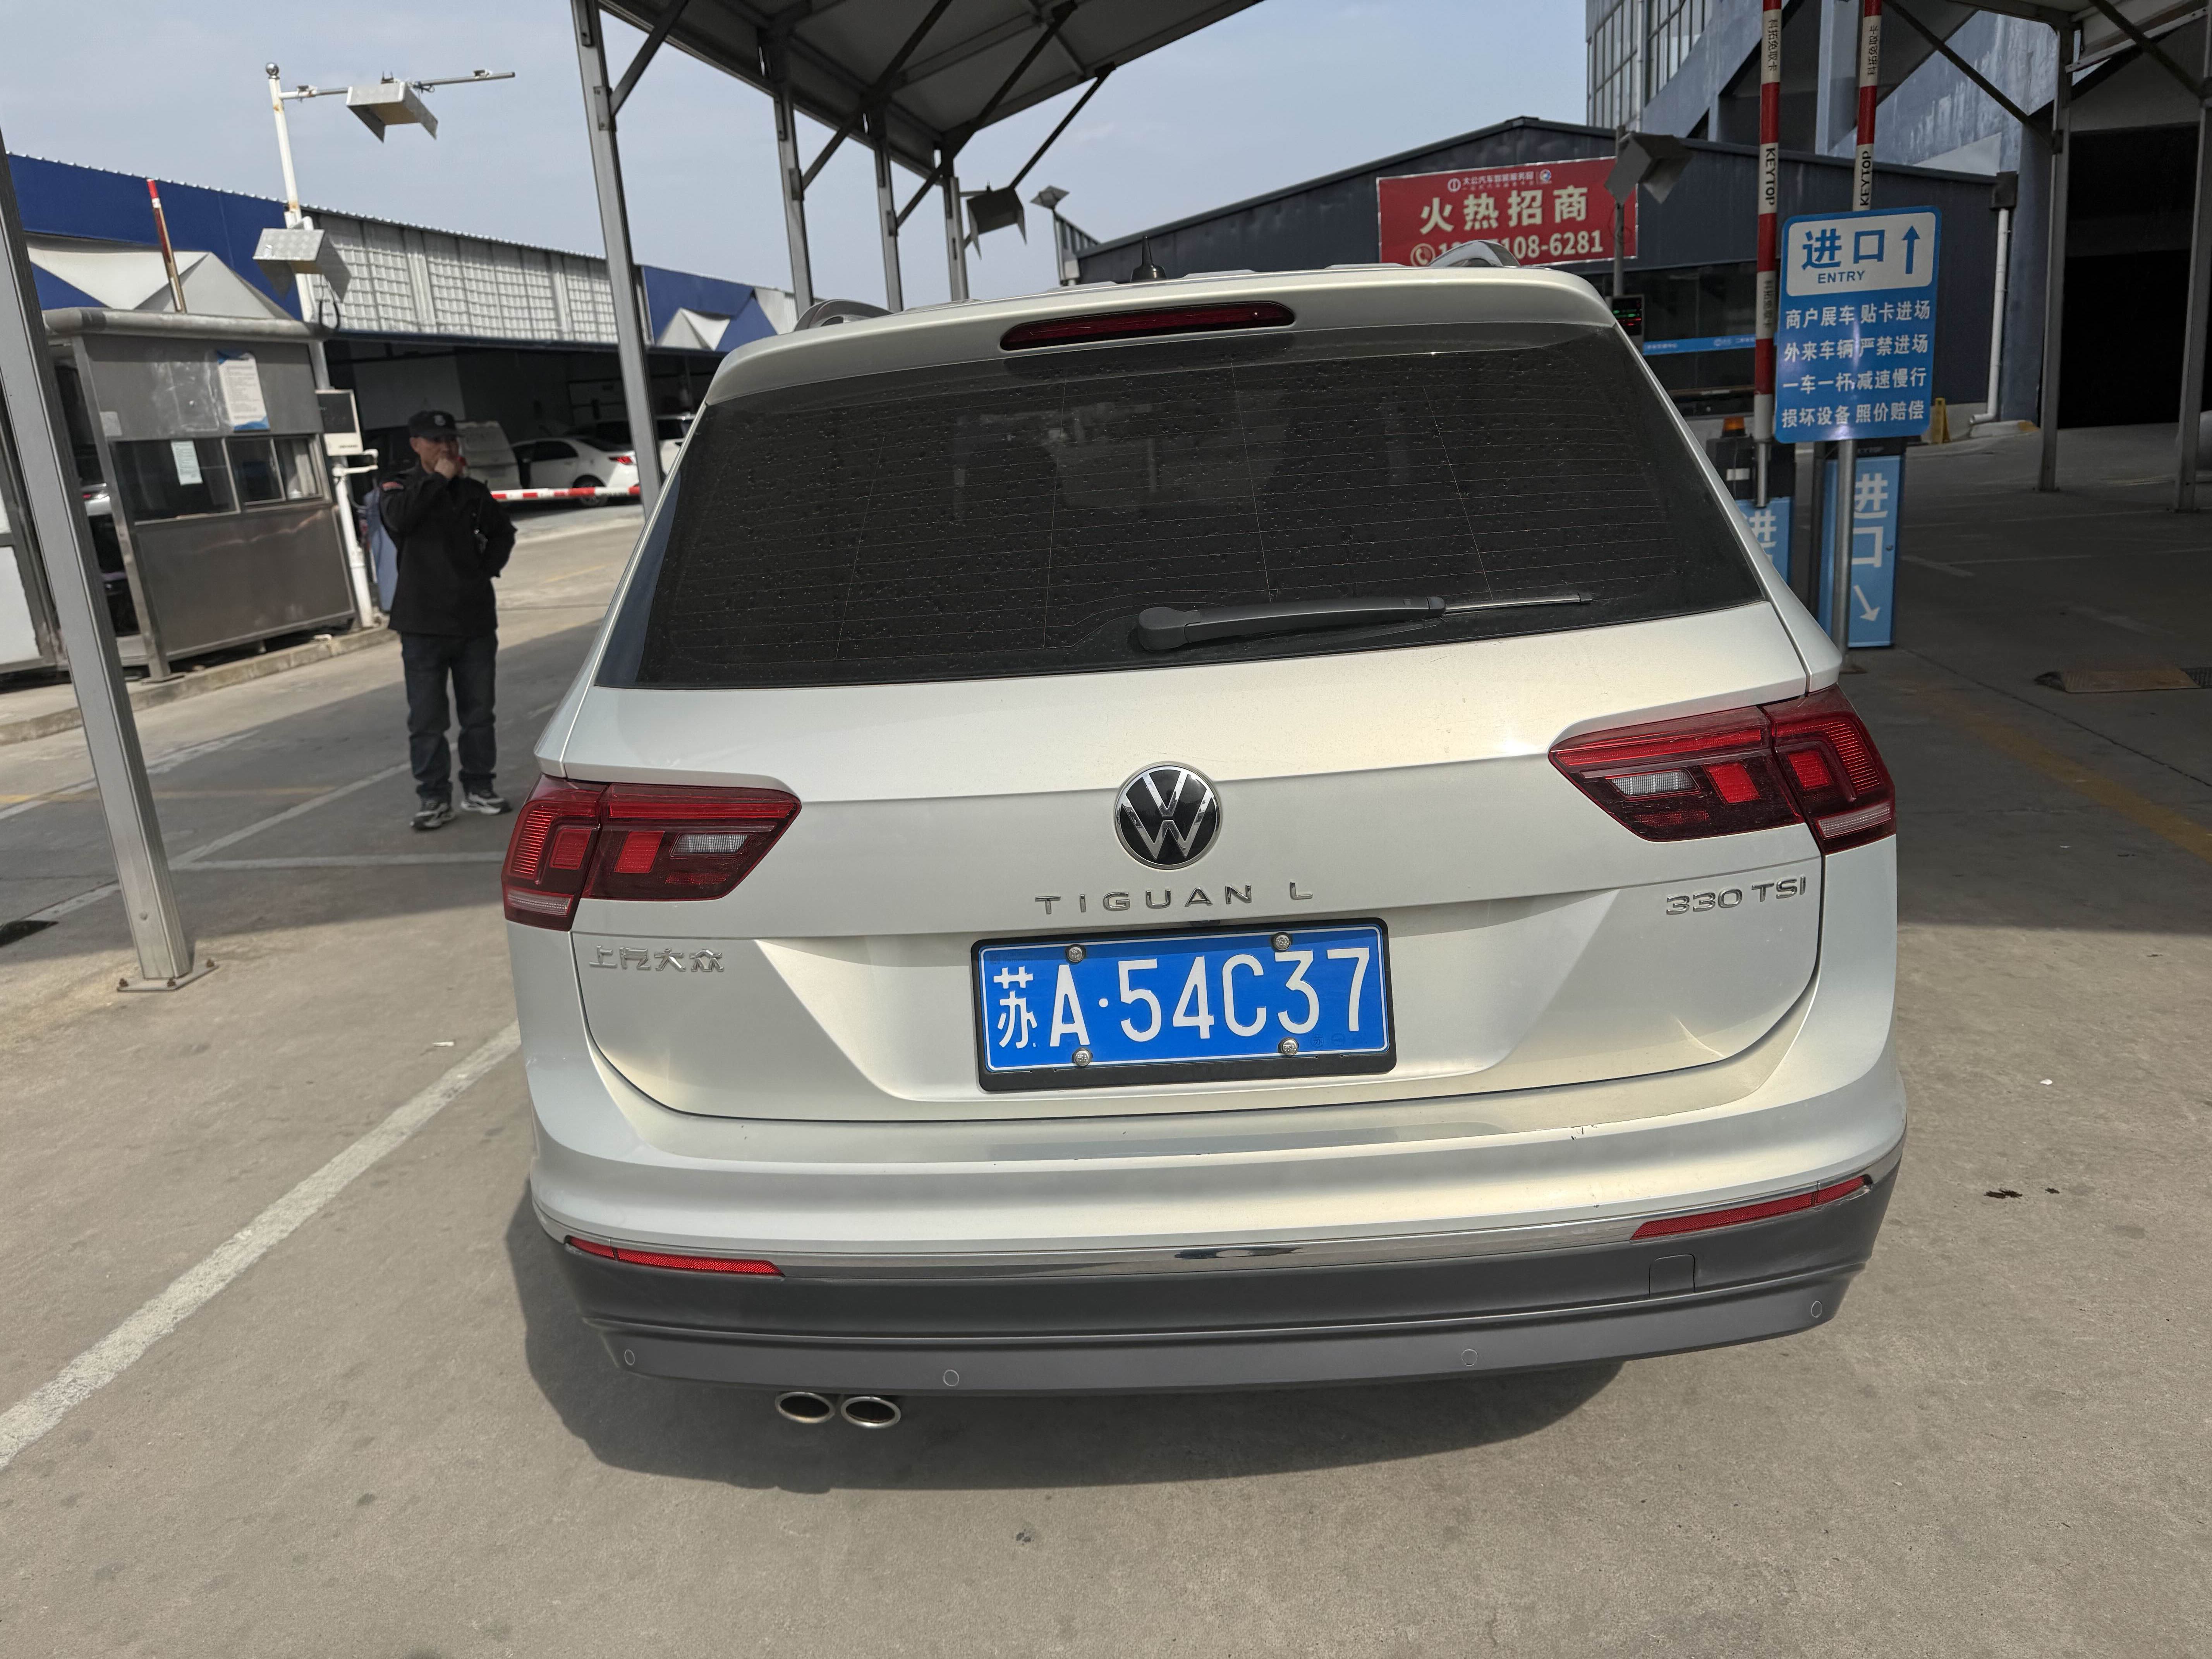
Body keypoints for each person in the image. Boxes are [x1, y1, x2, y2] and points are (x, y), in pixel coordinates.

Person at [381, 409, 517, 831]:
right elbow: (401, 520)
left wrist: (484, 570)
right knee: (427, 719)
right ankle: (433, 798)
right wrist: (438, 480)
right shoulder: (398, 489)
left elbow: (503, 533)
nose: (446, 448)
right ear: (416, 445)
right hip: (422, 624)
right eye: (436, 441)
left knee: (479, 714)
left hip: (473, 621)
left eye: (451, 440)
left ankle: (479, 787)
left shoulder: (472, 492)